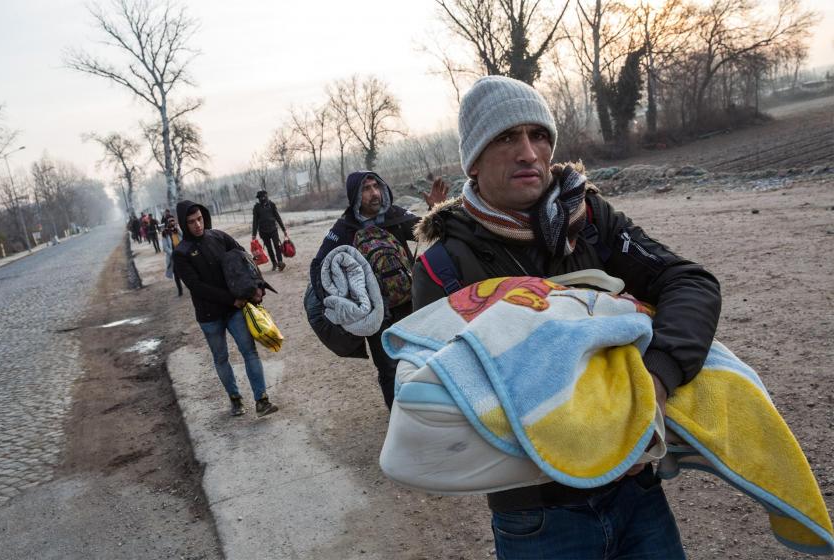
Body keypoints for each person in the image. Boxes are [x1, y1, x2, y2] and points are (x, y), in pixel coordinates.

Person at [411, 76, 721, 559]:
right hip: (537, 518)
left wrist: (655, 383)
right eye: (506, 137)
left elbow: (690, 282)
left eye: (539, 135)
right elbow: (451, 405)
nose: (529, 153)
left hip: (636, 492)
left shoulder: (590, 219)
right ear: (473, 159)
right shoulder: (442, 268)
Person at [309, 171, 447, 409]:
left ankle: (424, 412)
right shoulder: (343, 229)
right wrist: (341, 301)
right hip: (377, 312)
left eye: (376, 186)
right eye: (366, 189)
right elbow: (318, 266)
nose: (374, 193)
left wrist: (436, 210)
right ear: (354, 196)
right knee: (388, 368)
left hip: (408, 303)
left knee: (421, 359)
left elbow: (430, 230)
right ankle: (398, 420)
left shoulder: (395, 216)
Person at [173, 199, 279, 418]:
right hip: (210, 316)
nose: (198, 225)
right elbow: (197, 287)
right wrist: (232, 300)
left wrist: (257, 286)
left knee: (249, 351)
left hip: (235, 311)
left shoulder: (218, 237)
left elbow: (245, 259)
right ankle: (235, 399)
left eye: (200, 219)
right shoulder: (181, 253)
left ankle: (262, 400)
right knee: (221, 358)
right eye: (191, 222)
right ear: (184, 224)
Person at [251, 190, 289, 272]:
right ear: (259, 198)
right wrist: (253, 234)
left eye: (264, 196)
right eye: (261, 197)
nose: (263, 198)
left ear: (266, 196)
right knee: (269, 248)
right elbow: (255, 221)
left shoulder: (271, 205)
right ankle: (274, 263)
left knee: (277, 245)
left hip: (273, 229)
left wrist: (283, 229)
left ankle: (280, 262)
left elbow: (278, 217)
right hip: (263, 231)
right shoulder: (256, 208)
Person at [161, 214, 184, 296]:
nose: (172, 222)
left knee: (185, 271)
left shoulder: (177, 230)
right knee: (176, 274)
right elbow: (165, 247)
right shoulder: (165, 233)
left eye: (173, 220)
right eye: (170, 221)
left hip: (181, 253)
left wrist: (177, 228)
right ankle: (180, 290)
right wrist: (172, 253)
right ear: (167, 222)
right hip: (173, 256)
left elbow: (183, 236)